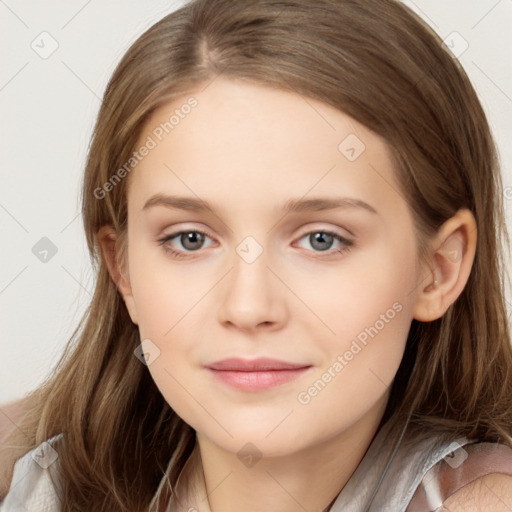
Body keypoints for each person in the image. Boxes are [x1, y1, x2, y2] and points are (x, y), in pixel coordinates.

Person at [1, 0, 512, 510]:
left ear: (438, 270)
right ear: (123, 270)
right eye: (190, 239)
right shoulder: (37, 482)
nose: (248, 307)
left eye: (321, 239)